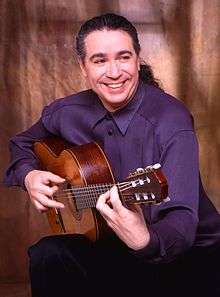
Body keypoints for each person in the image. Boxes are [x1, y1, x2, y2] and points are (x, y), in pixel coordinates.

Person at [4, 13, 220, 297]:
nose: (114, 72)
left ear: (137, 58)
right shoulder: (66, 112)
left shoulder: (171, 120)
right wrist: (29, 175)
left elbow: (181, 219)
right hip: (110, 242)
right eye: (99, 60)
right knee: (48, 255)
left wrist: (145, 240)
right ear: (83, 66)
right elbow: (22, 144)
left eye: (123, 57)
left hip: (186, 256)